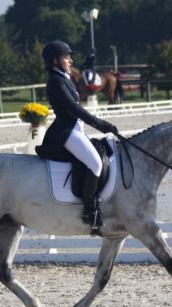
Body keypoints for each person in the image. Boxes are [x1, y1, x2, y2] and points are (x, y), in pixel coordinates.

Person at [36, 40, 118, 233]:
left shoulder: (64, 77)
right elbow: (74, 109)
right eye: (66, 57)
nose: (70, 60)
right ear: (55, 60)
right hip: (66, 131)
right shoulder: (56, 81)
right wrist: (100, 124)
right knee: (96, 163)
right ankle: (90, 211)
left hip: (76, 128)